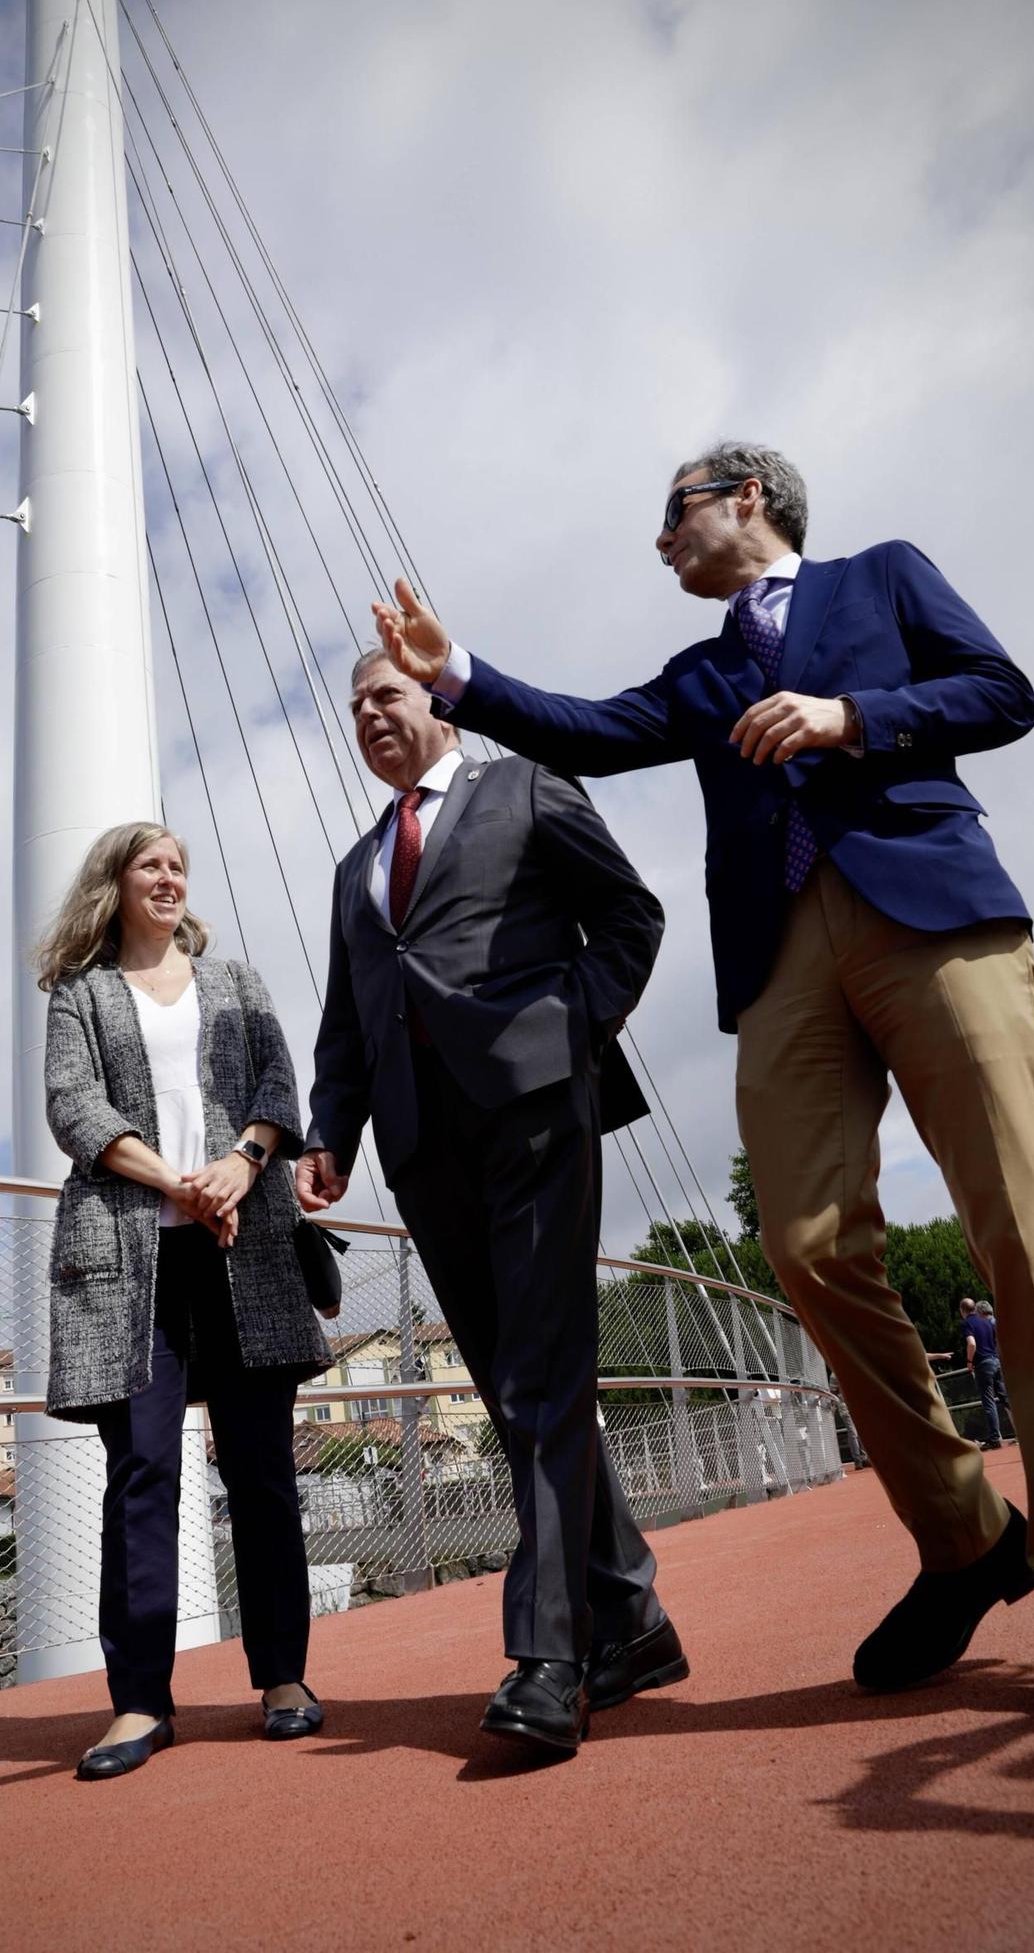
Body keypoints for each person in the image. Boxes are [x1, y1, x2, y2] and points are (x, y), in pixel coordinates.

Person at [374, 440, 1034, 1693]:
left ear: (747, 499)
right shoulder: (701, 670)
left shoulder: (883, 578)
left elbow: (1002, 692)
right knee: (800, 1241)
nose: (661, 539)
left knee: (1023, 1221)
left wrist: (855, 718)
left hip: (930, 911)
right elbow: (591, 731)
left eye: (671, 513)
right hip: (782, 956)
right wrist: (454, 674)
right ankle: (967, 1537)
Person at [297, 649, 684, 1755]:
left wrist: (568, 1033)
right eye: (354, 704)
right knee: (513, 1385)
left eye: (386, 694)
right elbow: (345, 1023)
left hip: (532, 1109)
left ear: (435, 702)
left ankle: (548, 1656)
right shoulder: (352, 869)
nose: (369, 712)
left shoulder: (522, 787)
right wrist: (332, 1135)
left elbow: (629, 919)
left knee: (538, 1371)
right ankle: (636, 1617)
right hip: (424, 1145)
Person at [38, 821, 332, 1779]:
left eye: (177, 867)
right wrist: (177, 1183)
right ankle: (138, 1704)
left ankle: (282, 1677)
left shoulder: (236, 982)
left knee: (261, 1472)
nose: (168, 878)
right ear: (113, 884)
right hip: (132, 1263)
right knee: (143, 1478)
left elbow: (278, 1087)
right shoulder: (79, 995)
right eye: (149, 865)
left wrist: (241, 1165)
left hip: (244, 1249)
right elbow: (74, 1109)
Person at [962, 1297, 1016, 1451]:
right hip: (995, 1361)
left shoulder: (967, 1323)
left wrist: (969, 1361)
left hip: (983, 1364)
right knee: (1005, 1397)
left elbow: (971, 1343)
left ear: (962, 1310)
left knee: (989, 1402)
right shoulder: (987, 1322)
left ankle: (994, 1439)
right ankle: (1028, 1428)